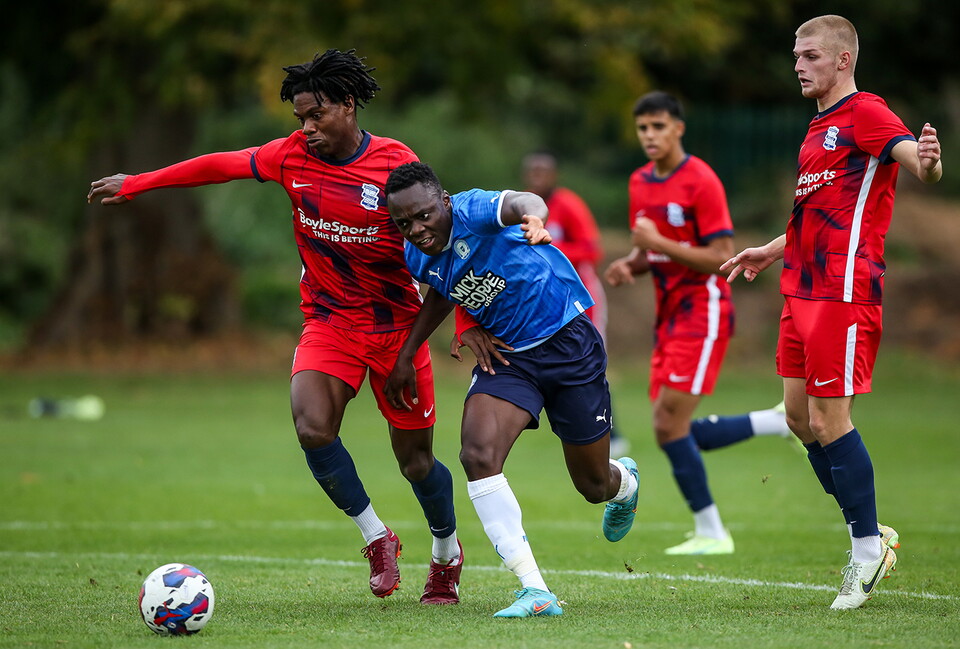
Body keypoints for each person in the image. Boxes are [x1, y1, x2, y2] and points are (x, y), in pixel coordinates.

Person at [86, 49, 463, 605]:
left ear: (348, 106)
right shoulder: (290, 157)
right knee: (312, 426)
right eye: (300, 120)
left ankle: (446, 554)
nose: (306, 129)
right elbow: (219, 165)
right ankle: (377, 538)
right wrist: (140, 182)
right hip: (330, 321)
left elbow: (446, 256)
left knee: (416, 462)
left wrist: (429, 342)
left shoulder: (394, 166)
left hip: (397, 332)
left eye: (317, 116)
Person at [721, 15, 941, 609]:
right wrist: (771, 250)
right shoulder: (815, 128)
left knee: (827, 420)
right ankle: (871, 535)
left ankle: (867, 551)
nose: (798, 64)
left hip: (844, 291)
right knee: (797, 418)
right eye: (796, 54)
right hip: (802, 287)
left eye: (811, 55)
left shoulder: (866, 111)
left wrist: (929, 160)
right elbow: (815, 211)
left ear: (842, 60)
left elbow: (909, 159)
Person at [382, 161, 640, 618]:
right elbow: (444, 287)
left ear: (443, 202)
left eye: (424, 216)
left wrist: (536, 218)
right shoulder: (415, 254)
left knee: (592, 484)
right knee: (477, 454)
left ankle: (624, 484)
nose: (417, 229)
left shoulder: (473, 208)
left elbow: (523, 202)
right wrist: (429, 342)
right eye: (404, 223)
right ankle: (534, 589)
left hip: (567, 343)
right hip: (508, 358)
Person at [604, 91, 791, 556]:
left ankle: (713, 531)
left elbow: (720, 257)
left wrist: (658, 245)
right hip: (668, 313)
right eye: (643, 128)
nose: (650, 136)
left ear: (678, 129)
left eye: (659, 127)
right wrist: (633, 263)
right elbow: (652, 248)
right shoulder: (639, 182)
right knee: (669, 428)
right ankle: (774, 424)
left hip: (703, 307)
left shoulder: (701, 180)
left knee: (670, 421)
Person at [521, 152, 630, 458]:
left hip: (582, 296)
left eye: (543, 171)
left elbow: (591, 250)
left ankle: (612, 430)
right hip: (546, 300)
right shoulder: (520, 207)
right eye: (532, 171)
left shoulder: (567, 205)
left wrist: (549, 244)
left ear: (555, 175)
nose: (537, 177)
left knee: (593, 361)